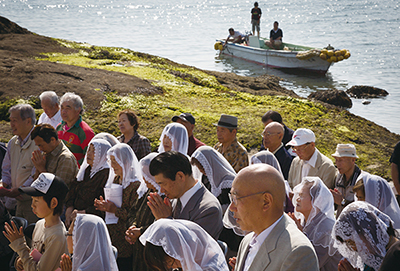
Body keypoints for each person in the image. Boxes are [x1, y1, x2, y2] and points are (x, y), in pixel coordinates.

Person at [229, 164, 319, 271]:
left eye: (236, 198)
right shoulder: (248, 240)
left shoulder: (297, 252)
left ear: (266, 201)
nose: (231, 207)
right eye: (231, 198)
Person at [94, 143, 147, 271]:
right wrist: (104, 206)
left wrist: (114, 210)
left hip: (126, 238)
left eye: (115, 161)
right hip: (113, 234)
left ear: (125, 161)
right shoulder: (116, 180)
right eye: (111, 161)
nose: (112, 165)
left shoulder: (135, 185)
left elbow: (133, 214)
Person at [147, 151, 223, 240]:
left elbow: (193, 249)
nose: (161, 190)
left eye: (163, 184)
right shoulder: (173, 200)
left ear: (180, 176)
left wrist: (165, 221)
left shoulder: (208, 209)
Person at [4, 173, 68, 271]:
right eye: (32, 200)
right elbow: (34, 258)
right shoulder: (40, 224)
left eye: (36, 201)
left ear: (53, 203)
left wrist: (21, 247)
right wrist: (21, 261)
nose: (32, 205)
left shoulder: (57, 236)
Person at [191, 146, 242, 251]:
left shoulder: (228, 181)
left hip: (228, 227)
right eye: (199, 168)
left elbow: (233, 206)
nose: (201, 171)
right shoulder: (205, 178)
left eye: (202, 167)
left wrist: (214, 208)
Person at [289, 177, 342, 271]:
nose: (297, 199)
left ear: (315, 200)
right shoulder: (303, 221)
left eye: (301, 195)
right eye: (298, 195)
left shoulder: (327, 228)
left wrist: (300, 235)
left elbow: (312, 263)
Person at [139, 219, 229, 271]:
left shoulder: (211, 268)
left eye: (169, 263)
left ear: (181, 248)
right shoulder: (188, 262)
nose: (171, 268)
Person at [333, 201, 398, 271]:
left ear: (368, 232)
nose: (354, 248)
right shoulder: (371, 256)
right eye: (349, 244)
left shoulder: (396, 255)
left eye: (353, 243)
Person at [0, 104, 38, 223]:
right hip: (13, 201)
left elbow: (35, 174)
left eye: (14, 121)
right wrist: (4, 184)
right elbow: (6, 168)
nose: (11, 124)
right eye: (10, 120)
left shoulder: (39, 142)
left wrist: (20, 190)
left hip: (32, 202)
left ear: (28, 121)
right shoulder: (13, 142)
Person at [64, 138, 112, 227]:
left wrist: (83, 212)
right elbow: (74, 188)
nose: (88, 153)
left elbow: (104, 203)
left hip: (92, 222)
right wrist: (69, 209)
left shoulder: (106, 174)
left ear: (102, 155)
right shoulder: (87, 170)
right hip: (75, 216)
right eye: (89, 150)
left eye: (94, 151)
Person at [125, 152, 157, 271]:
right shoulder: (147, 191)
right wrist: (133, 227)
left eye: (147, 174)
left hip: (152, 252)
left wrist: (141, 231)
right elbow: (134, 211)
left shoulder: (165, 195)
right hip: (139, 248)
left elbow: (162, 222)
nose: (144, 178)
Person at [56, 92, 95, 166]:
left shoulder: (85, 132)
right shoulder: (59, 127)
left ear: (78, 110)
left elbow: (90, 159)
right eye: (62, 108)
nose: (63, 111)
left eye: (68, 108)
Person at [330, 144, 362, 218]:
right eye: (336, 160)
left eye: (340, 160)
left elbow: (363, 210)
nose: (337, 164)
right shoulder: (338, 177)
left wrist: (342, 202)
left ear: (353, 160)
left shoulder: (362, 181)